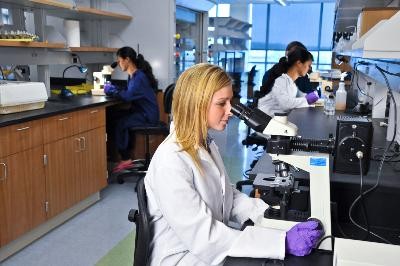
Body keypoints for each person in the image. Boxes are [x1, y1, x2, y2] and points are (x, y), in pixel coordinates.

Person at [144, 63, 324, 265]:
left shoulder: (204, 143)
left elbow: (225, 194)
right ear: (196, 104)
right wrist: (281, 242)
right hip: (183, 258)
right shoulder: (171, 160)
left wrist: (266, 215)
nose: (230, 110)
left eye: (230, 101)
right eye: (222, 103)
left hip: (208, 250)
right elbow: (205, 237)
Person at [104, 46, 159, 173]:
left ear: (127, 59)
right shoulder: (134, 76)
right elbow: (129, 92)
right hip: (142, 112)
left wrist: (111, 90)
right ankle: (120, 155)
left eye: (119, 60)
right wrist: (114, 89)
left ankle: (125, 158)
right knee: (113, 116)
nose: (118, 64)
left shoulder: (138, 77)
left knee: (120, 123)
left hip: (147, 116)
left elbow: (128, 96)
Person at [258, 47, 319, 117]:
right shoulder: (281, 80)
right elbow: (286, 104)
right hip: (268, 119)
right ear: (299, 63)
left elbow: (297, 96)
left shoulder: (291, 81)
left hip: (279, 117)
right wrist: (307, 100)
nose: (309, 69)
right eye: (309, 65)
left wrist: (311, 97)